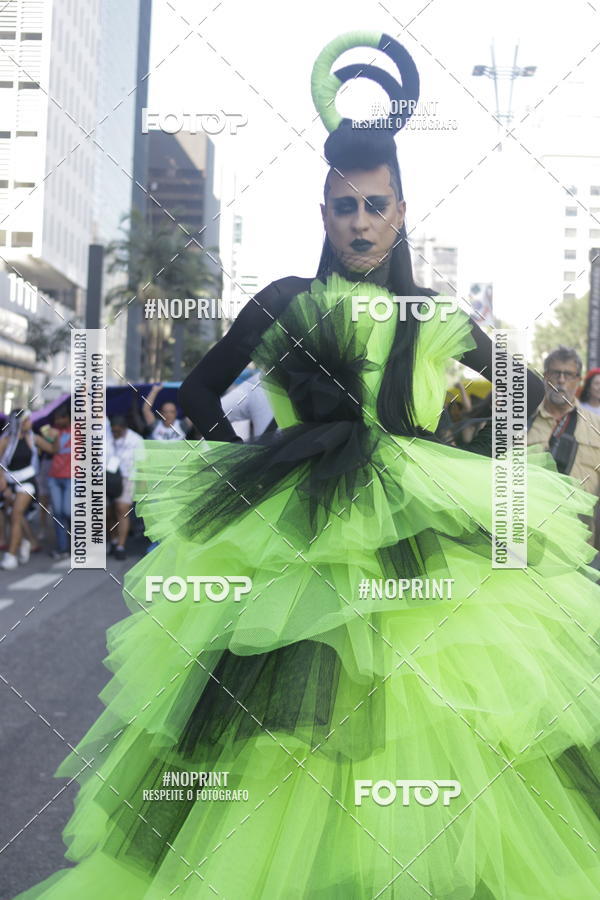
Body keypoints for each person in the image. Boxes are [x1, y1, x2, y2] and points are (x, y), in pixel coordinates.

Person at [16, 33, 600, 900]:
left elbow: (517, 392)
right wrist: (251, 467)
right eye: (343, 206)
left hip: (422, 533)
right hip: (293, 532)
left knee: (436, 719)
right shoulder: (284, 299)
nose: (360, 221)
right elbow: (203, 392)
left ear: (402, 211)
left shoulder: (428, 308)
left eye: (375, 204)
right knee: (275, 725)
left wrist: (450, 468)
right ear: (322, 212)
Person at [527, 346, 600, 544]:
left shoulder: (596, 426)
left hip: (578, 540)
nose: (561, 380)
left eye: (568, 374)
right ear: (545, 377)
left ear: (578, 380)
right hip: (526, 533)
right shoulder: (522, 422)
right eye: (555, 373)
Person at [0, 411, 54, 569]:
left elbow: (52, 449)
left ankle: (11, 556)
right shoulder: (6, 441)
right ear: (19, 423)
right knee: (13, 515)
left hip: (28, 482)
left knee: (16, 514)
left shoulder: (33, 438)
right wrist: (2, 483)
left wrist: (53, 436)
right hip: (9, 483)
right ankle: (25, 541)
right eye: (27, 419)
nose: (30, 422)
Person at [106, 415, 143, 560]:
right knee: (106, 512)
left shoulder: (136, 440)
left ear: (125, 429)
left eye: (117, 431)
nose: (115, 434)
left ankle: (121, 546)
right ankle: (114, 539)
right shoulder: (107, 437)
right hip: (107, 476)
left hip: (128, 477)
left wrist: (142, 486)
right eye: (113, 431)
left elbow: (141, 465)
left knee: (121, 509)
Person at [45, 405, 72, 560]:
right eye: (55, 418)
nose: (57, 421)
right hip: (55, 476)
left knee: (69, 511)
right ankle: (62, 549)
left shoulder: (79, 430)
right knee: (58, 513)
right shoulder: (53, 432)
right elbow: (50, 450)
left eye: (60, 417)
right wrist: (51, 437)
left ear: (68, 417)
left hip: (73, 477)